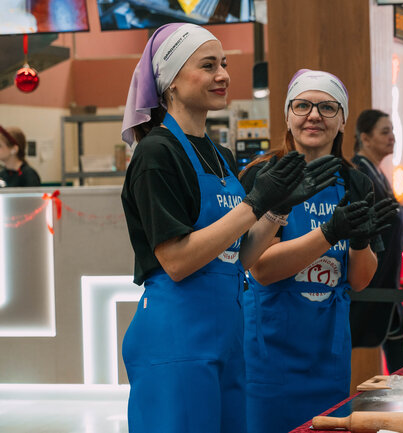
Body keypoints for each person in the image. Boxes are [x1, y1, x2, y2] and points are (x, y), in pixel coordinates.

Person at [119, 25, 339, 433]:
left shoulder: (219, 154)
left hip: (226, 339)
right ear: (169, 80)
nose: (223, 75)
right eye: (208, 65)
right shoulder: (157, 153)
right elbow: (178, 260)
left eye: (224, 64)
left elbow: (238, 258)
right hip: (176, 343)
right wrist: (254, 204)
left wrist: (276, 211)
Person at [240, 69, 398, 433]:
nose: (314, 115)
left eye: (328, 107)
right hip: (268, 355)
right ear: (288, 115)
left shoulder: (356, 182)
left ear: (342, 120)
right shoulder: (262, 177)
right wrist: (330, 233)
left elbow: (358, 281)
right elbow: (261, 268)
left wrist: (358, 241)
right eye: (303, 105)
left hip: (328, 356)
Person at [350, 109, 403, 373]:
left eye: (392, 131)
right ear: (365, 138)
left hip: (387, 285)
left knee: (400, 353)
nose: (392, 138)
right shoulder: (358, 175)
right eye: (384, 132)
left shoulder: (376, 172)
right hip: (370, 286)